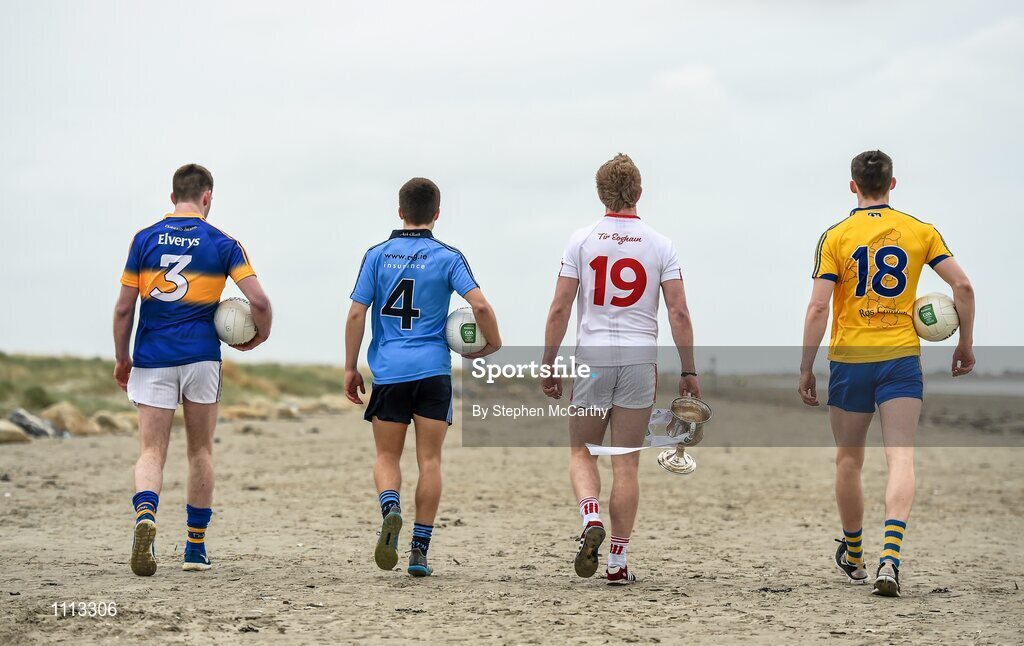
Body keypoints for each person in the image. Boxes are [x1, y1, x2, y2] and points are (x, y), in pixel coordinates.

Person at [799, 150, 975, 597]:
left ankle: (855, 555)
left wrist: (805, 366)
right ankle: (890, 558)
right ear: (892, 184)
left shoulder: (835, 236)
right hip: (899, 360)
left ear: (852, 185)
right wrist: (964, 343)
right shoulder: (921, 231)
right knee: (901, 458)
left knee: (849, 460)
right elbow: (963, 286)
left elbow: (820, 306)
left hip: (849, 361)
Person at [540, 154, 699, 585]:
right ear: (639, 193)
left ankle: (590, 516)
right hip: (639, 360)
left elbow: (560, 307)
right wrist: (689, 370)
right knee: (625, 464)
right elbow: (678, 313)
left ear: (600, 193)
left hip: (592, 360)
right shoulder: (661, 244)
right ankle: (617, 561)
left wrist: (548, 361)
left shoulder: (582, 240)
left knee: (582, 452)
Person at [113, 163, 272, 576]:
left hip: (152, 356)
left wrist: (122, 358)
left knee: (151, 451)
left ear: (172, 197)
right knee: (200, 451)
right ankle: (195, 549)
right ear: (207, 198)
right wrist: (260, 336)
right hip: (202, 357)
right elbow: (259, 302)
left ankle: (146, 515)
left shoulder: (144, 239)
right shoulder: (223, 243)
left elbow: (124, 308)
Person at [344, 177, 501, 577]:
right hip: (433, 371)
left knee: (385, 456)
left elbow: (356, 314)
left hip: (390, 371)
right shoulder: (449, 257)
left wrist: (350, 366)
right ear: (436, 213)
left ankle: (390, 506)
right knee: (429, 460)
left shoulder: (376, 255)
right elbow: (479, 306)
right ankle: (419, 552)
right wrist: (493, 344)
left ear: (400, 211)